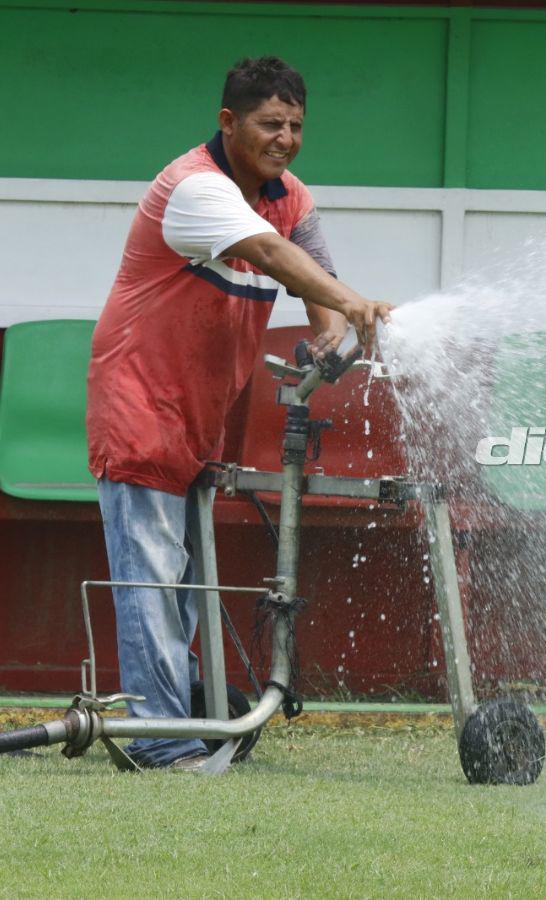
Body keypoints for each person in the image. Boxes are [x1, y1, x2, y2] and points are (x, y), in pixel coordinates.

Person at [86, 56, 392, 770]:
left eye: (295, 125)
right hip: (139, 402)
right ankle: (162, 747)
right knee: (154, 579)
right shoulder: (194, 188)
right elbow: (270, 252)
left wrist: (329, 329)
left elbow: (313, 272)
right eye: (268, 124)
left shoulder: (289, 195)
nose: (284, 138)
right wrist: (350, 304)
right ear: (228, 123)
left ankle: (185, 719)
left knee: (182, 579)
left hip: (200, 411)